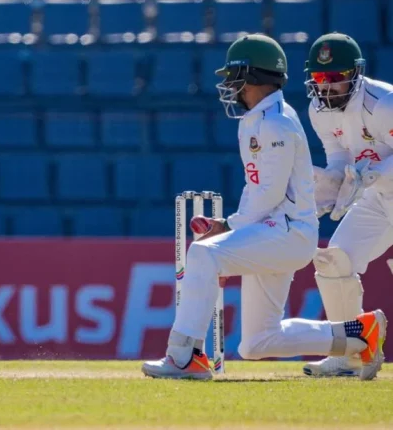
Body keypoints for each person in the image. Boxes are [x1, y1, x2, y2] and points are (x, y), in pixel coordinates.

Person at [141, 34, 386, 381]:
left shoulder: (275, 124)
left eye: (234, 76)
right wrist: (231, 229)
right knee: (257, 343)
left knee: (203, 254)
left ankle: (184, 357)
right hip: (275, 230)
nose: (230, 85)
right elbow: (258, 190)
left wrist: (228, 228)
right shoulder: (259, 119)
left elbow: (267, 195)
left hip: (288, 233)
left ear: (253, 77)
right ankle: (359, 334)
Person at [302, 32, 393, 377]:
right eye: (319, 78)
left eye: (335, 77)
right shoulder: (318, 110)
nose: (326, 87)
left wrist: (375, 172)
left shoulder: (383, 103)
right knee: (333, 260)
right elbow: (339, 157)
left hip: (379, 183)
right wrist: (331, 183)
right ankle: (349, 353)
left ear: (355, 73)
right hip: (377, 196)